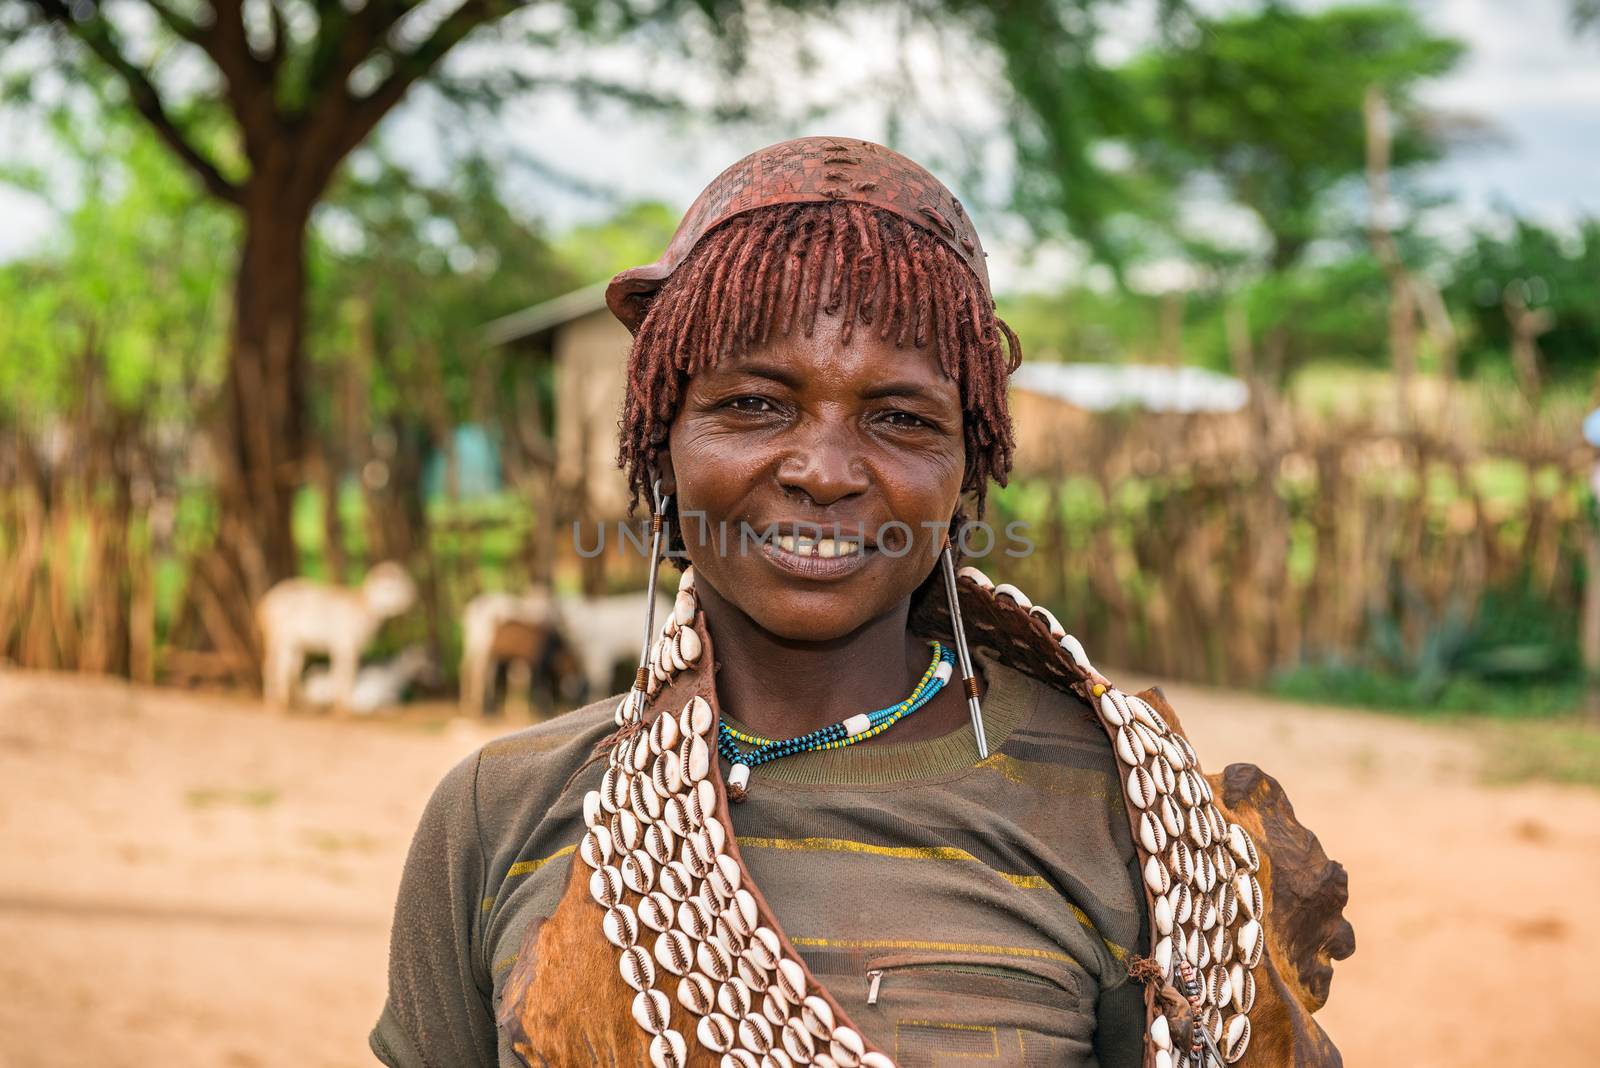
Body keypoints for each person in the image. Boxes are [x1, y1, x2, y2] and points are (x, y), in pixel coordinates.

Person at [372, 137, 1353, 1068]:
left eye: (898, 418)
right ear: (657, 436)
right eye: (753, 404)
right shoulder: (500, 811)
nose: (824, 472)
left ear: (967, 466)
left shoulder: (1124, 820)